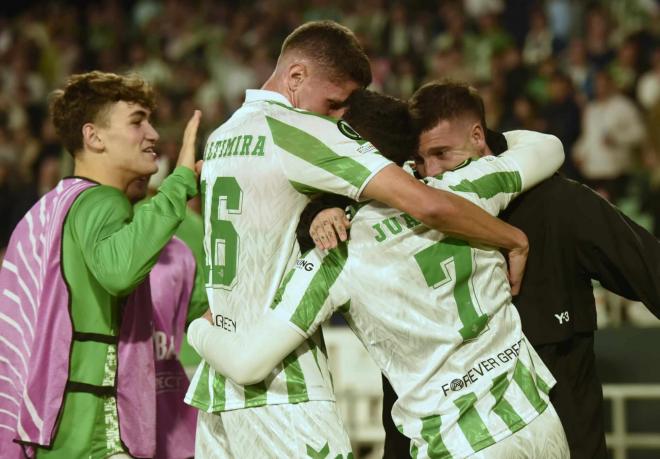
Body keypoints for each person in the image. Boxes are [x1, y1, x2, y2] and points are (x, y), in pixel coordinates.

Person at [185, 20, 533, 458]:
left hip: (219, 385)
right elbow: (427, 205)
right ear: (296, 77)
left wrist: (324, 207)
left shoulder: (222, 137)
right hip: (283, 388)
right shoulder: (299, 131)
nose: (337, 119)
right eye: (333, 103)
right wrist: (513, 238)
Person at [377, 81, 660, 459]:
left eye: (442, 153)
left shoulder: (557, 204)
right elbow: (405, 367)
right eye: (420, 162)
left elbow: (650, 269)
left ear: (478, 136)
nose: (432, 174)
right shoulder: (412, 227)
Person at [0, 71, 201, 458]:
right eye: (137, 121)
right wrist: (179, 183)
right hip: (96, 430)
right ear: (93, 137)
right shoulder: (102, 203)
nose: (153, 134)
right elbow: (121, 270)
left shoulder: (48, 208)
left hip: (50, 429)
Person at [125, 178, 207, 459]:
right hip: (192, 358)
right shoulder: (195, 226)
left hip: (145, 367)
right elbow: (202, 304)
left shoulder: (129, 224)